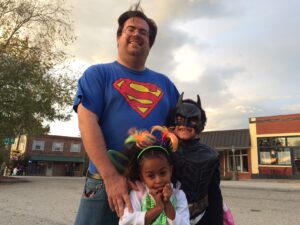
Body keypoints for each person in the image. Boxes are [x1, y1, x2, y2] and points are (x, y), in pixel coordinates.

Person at [73, 2, 179, 225]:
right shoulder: (98, 74)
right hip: (105, 182)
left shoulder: (166, 85)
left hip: (153, 186)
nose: (136, 34)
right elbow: (86, 122)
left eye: (144, 32)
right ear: (118, 37)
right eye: (130, 29)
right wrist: (111, 176)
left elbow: (180, 132)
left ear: (150, 43)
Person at [118, 127, 190, 225]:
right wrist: (158, 208)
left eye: (163, 173)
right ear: (142, 177)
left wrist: (167, 204)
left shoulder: (178, 195)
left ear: (171, 170)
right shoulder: (137, 195)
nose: (158, 180)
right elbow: (125, 221)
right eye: (151, 176)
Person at [170, 93, 223, 225]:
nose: (185, 124)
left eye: (192, 120)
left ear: (201, 125)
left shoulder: (210, 156)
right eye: (180, 118)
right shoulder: (162, 151)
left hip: (201, 217)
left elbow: (214, 194)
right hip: (169, 216)